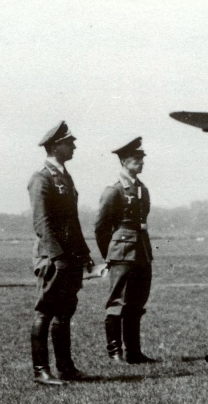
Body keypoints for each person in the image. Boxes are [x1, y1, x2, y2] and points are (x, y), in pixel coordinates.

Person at [28, 121, 94, 385]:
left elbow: (72, 221)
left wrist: (84, 253)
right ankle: (41, 371)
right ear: (56, 146)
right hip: (53, 257)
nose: (74, 145)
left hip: (70, 257)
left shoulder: (64, 177)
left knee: (65, 312)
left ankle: (66, 368)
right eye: (70, 142)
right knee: (45, 310)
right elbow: (42, 223)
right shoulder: (41, 178)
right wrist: (57, 258)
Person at [95, 137, 157, 364]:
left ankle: (134, 351)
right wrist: (109, 255)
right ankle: (115, 352)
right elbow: (101, 227)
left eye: (141, 159)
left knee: (137, 301)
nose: (141, 163)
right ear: (123, 161)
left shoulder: (142, 189)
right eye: (136, 159)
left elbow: (143, 217)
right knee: (117, 303)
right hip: (122, 252)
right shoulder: (114, 190)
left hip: (141, 250)